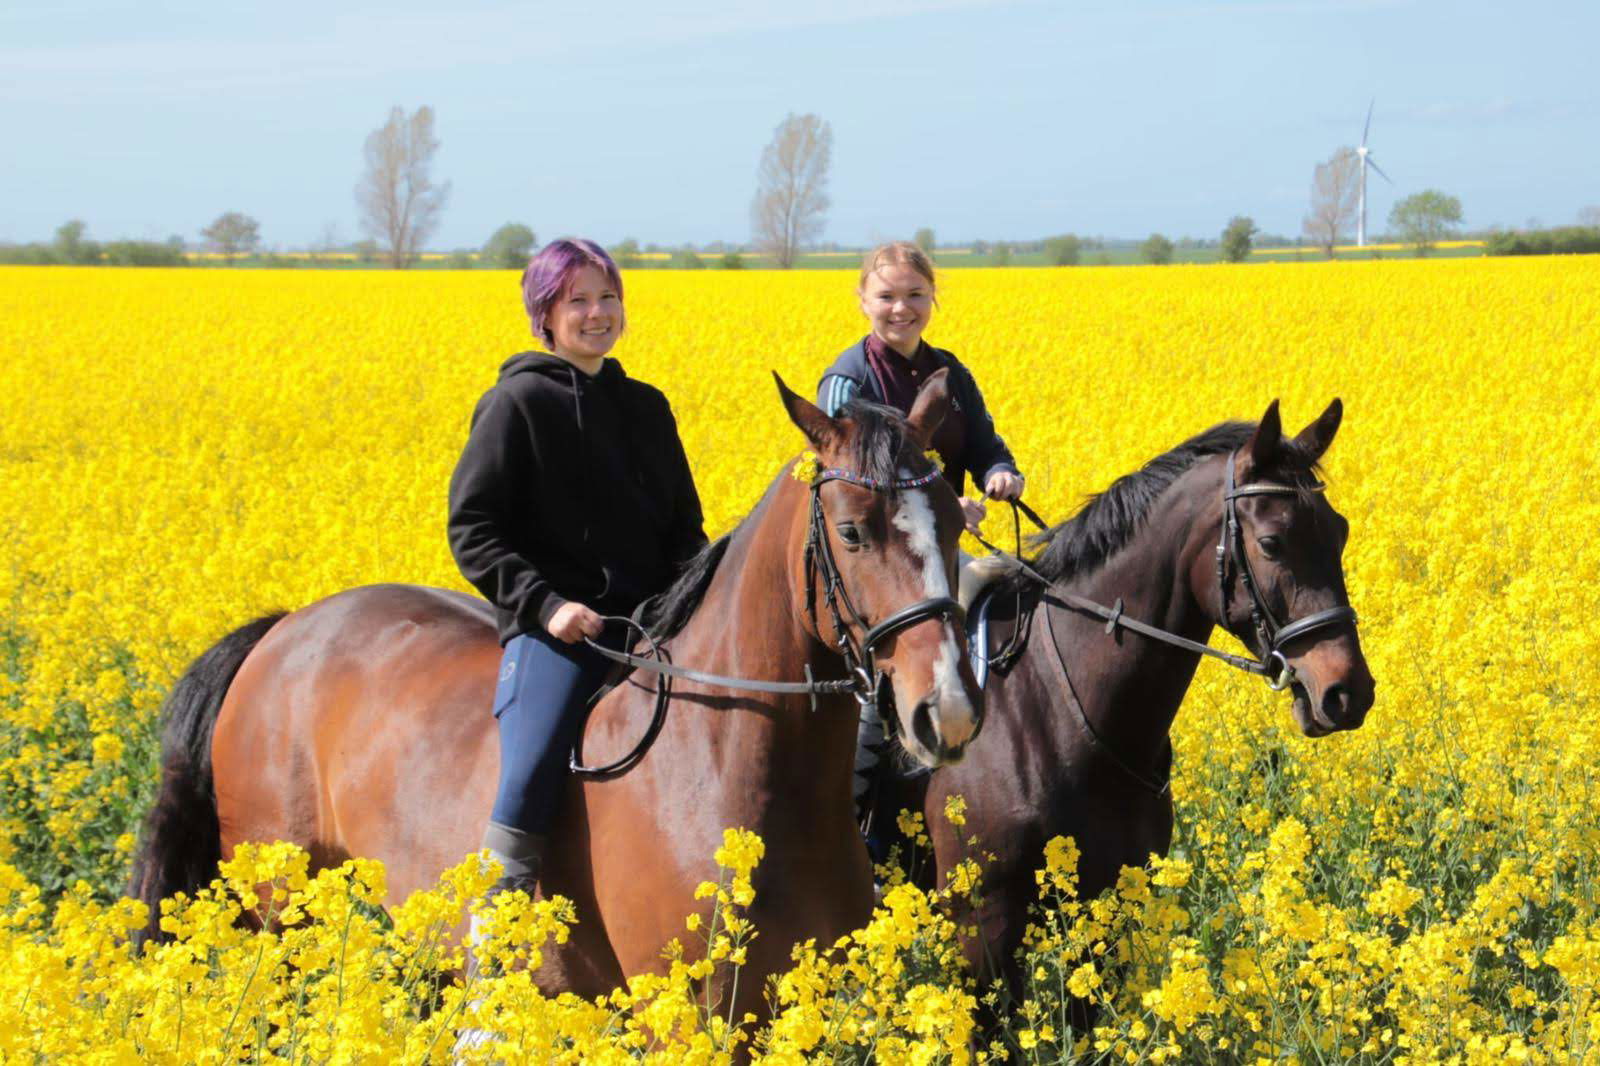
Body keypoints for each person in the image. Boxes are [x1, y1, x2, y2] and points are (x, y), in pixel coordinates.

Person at [448, 238, 707, 896]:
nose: (598, 313)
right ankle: (497, 917)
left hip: (653, 625)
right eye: (578, 301)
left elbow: (684, 530)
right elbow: (473, 528)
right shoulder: (516, 405)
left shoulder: (647, 407)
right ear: (546, 314)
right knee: (531, 766)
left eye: (608, 297)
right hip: (560, 631)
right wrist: (546, 605)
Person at [815, 240, 1025, 853]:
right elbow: (847, 479)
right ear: (862, 300)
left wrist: (999, 472)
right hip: (880, 563)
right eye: (886, 296)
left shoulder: (950, 372)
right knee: (872, 704)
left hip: (940, 551)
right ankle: (852, 839)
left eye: (914, 294)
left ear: (933, 297)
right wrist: (939, 502)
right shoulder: (846, 380)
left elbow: (983, 441)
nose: (900, 308)